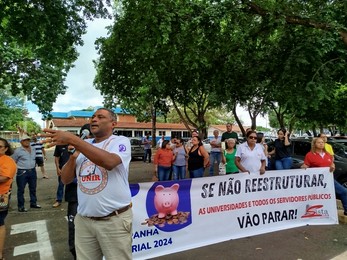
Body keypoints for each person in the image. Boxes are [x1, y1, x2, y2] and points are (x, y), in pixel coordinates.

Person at [41, 107, 133, 260]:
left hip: (113, 221)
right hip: (84, 220)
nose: (94, 119)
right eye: (93, 116)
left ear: (113, 124)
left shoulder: (120, 141)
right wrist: (72, 157)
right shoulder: (83, 144)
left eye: (100, 117)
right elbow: (65, 179)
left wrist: (74, 140)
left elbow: (109, 162)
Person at [301, 137, 347, 216]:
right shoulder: (310, 155)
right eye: (319, 142)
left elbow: (332, 166)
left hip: (328, 179)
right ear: (314, 144)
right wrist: (303, 167)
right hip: (316, 181)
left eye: (322, 142)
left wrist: (332, 167)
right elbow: (305, 166)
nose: (321, 144)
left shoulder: (328, 155)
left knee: (343, 191)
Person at [12, 134, 41, 212]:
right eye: (25, 140)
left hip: (32, 171)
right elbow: (13, 161)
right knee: (21, 190)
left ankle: (33, 203)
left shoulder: (33, 149)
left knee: (33, 188)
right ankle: (21, 206)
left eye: (28, 140)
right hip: (22, 172)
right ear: (21, 142)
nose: (27, 142)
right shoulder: (17, 151)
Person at [0, 138, 17, 260]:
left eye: (0, 147)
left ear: (6, 148)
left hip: (1, 196)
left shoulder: (8, 161)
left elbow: (4, 177)